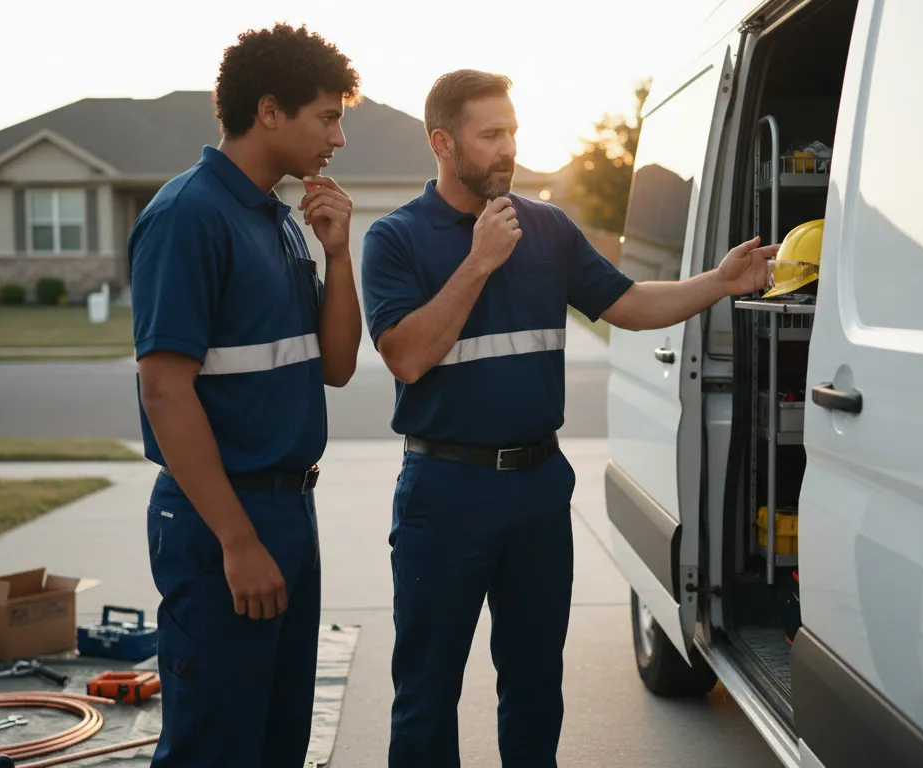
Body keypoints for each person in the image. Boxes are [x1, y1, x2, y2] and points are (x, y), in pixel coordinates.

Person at [361, 69, 777, 768]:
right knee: (427, 693)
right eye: (491, 134)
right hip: (445, 493)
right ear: (443, 143)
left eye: (513, 132)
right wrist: (479, 262)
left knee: (534, 686)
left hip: (537, 490)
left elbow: (628, 304)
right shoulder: (395, 238)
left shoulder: (548, 227)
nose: (508, 148)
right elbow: (406, 356)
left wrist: (719, 282)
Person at [127, 23, 363, 767]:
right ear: (269, 110)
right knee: (216, 746)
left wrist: (338, 254)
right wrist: (236, 541)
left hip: (289, 510)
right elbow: (165, 392)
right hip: (221, 520)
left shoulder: (279, 219)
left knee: (277, 741)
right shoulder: (188, 216)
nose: (339, 137)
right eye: (326, 117)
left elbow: (337, 365)